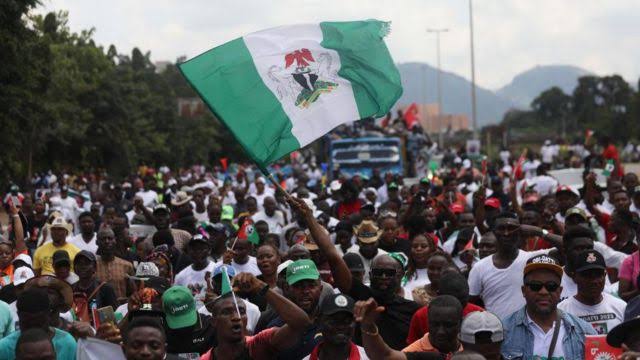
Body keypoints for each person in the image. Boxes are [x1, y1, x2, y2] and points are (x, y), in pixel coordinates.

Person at [501, 254, 595, 359]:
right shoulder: (504, 331)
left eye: (551, 286)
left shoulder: (584, 332)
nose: (543, 292)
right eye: (535, 286)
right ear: (524, 291)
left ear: (560, 291)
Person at [200, 272, 312, 360]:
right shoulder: (206, 358)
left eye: (242, 311)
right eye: (226, 312)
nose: (236, 317)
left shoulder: (258, 345)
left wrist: (260, 286)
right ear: (213, 321)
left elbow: (301, 323)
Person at [468, 213, 549, 319]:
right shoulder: (480, 267)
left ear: (519, 231)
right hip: (495, 331)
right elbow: (471, 304)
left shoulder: (531, 259)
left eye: (511, 228)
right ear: (494, 232)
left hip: (526, 330)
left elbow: (567, 247)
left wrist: (538, 231)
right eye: (501, 228)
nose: (506, 233)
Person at [558, 249, 626, 334]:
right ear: (574, 277)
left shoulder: (621, 307)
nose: (594, 281)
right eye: (587, 275)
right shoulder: (562, 311)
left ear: (605, 276)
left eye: (598, 275)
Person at [407, 271, 484, 344]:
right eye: (436, 324)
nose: (457, 307)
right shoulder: (421, 316)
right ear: (438, 295)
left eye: (462, 301)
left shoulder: (481, 315)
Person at [0, 288, 77, 360]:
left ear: (48, 315)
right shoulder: (4, 348)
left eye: (39, 323)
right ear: (19, 315)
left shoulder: (67, 344)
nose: (34, 330)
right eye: (28, 323)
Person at [303, 293, 368, 359]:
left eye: (347, 321)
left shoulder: (369, 357)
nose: (341, 327)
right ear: (319, 322)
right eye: (333, 321)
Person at [162, 285, 216, 356]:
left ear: (194, 304)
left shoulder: (211, 326)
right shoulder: (160, 332)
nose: (183, 327)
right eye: (177, 320)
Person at [71, 250, 118, 323]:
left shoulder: (105, 288)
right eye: (79, 264)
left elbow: (113, 317)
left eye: (86, 264)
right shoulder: (70, 289)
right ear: (74, 268)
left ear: (95, 267)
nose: (83, 267)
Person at [174, 234, 217, 309]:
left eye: (201, 249)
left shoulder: (217, 270)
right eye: (194, 249)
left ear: (209, 250)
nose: (197, 252)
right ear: (188, 251)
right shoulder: (181, 276)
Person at [95, 227, 134, 301]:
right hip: (99, 309)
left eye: (110, 238)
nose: (107, 241)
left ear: (115, 240)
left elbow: (133, 293)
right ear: (97, 242)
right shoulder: (92, 266)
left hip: (122, 309)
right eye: (103, 239)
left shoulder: (127, 266)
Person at [347, 220, 388, 285]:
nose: (368, 247)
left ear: (378, 241)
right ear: (358, 242)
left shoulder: (384, 256)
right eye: (364, 244)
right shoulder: (351, 255)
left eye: (372, 243)